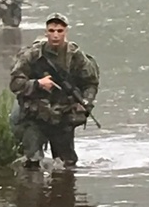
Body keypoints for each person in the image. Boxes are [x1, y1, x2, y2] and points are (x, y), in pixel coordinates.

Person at [9, 12, 99, 169]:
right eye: (51, 31)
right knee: (33, 164)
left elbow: (90, 83)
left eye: (60, 31)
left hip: (62, 118)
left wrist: (85, 103)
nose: (55, 35)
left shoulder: (76, 57)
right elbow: (15, 83)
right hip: (35, 116)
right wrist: (37, 84)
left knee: (67, 166)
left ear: (66, 32)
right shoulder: (33, 55)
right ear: (46, 32)